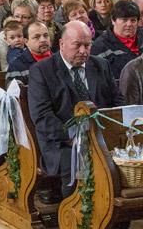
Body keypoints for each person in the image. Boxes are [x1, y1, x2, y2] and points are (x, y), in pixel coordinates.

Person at [27, 21, 117, 196]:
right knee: (76, 163)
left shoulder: (101, 65)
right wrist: (75, 136)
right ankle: (75, 214)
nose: (83, 51)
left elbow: (116, 101)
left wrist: (109, 133)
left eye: (87, 45)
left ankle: (115, 215)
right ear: (62, 44)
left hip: (101, 136)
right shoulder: (42, 70)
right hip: (61, 142)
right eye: (77, 45)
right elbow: (42, 116)